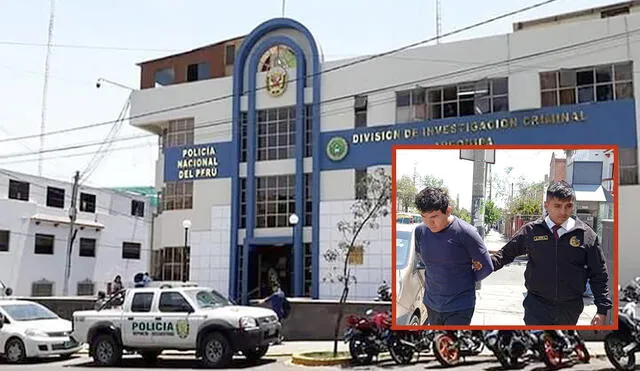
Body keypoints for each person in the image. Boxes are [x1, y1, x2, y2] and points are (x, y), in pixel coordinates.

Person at [490, 180, 611, 326]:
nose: (563, 211)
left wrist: (601, 310)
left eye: (568, 206)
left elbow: (599, 273)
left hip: (570, 308)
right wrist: (481, 265)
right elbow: (505, 255)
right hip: (537, 306)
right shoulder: (531, 231)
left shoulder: (586, 235)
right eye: (557, 206)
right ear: (546, 205)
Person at [413, 186, 494, 326]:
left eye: (434, 217)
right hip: (431, 304)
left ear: (448, 211)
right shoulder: (420, 232)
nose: (429, 223)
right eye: (424, 217)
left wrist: (466, 280)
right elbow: (424, 259)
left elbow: (486, 267)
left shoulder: (466, 233)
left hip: (459, 306)